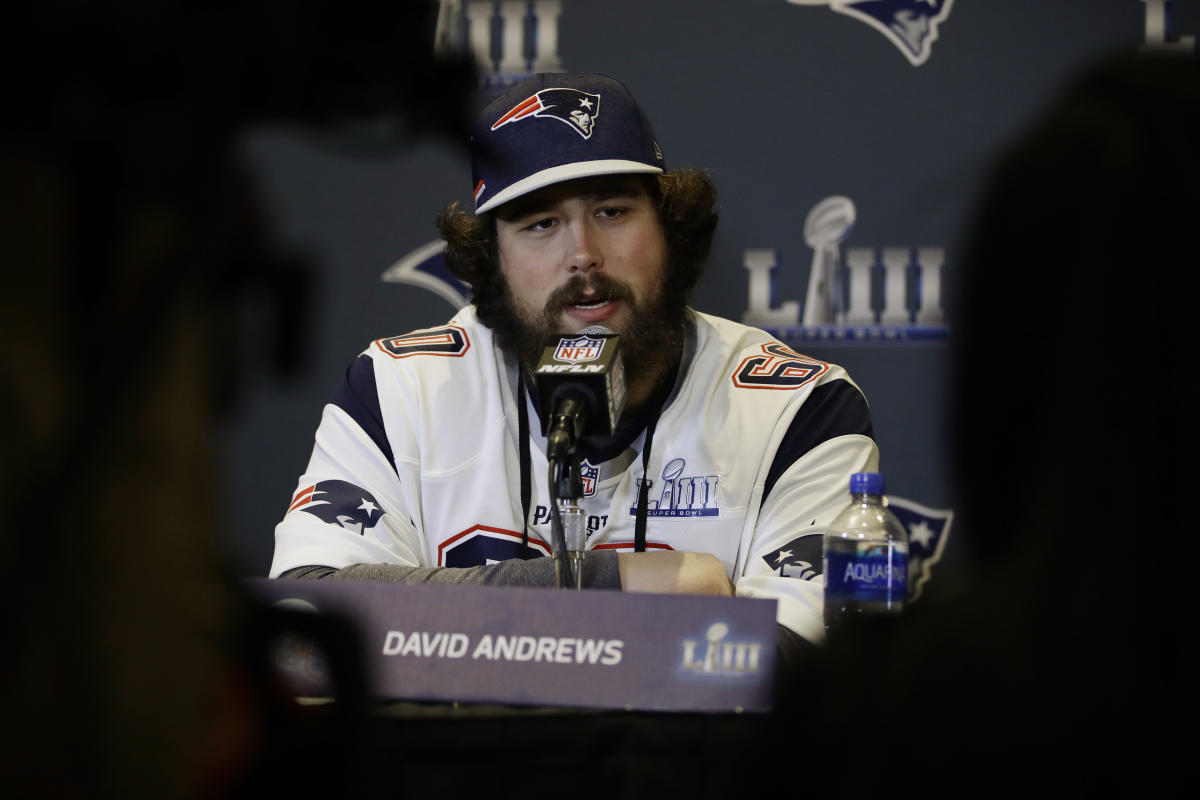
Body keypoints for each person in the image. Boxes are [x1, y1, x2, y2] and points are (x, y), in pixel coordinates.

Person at [269, 72, 878, 659]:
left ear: (669, 230)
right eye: (541, 224)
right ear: (492, 261)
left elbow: (801, 663)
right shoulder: (398, 390)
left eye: (612, 211)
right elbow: (307, 617)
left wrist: (465, 623)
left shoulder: (799, 409)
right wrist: (616, 583)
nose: (583, 254)